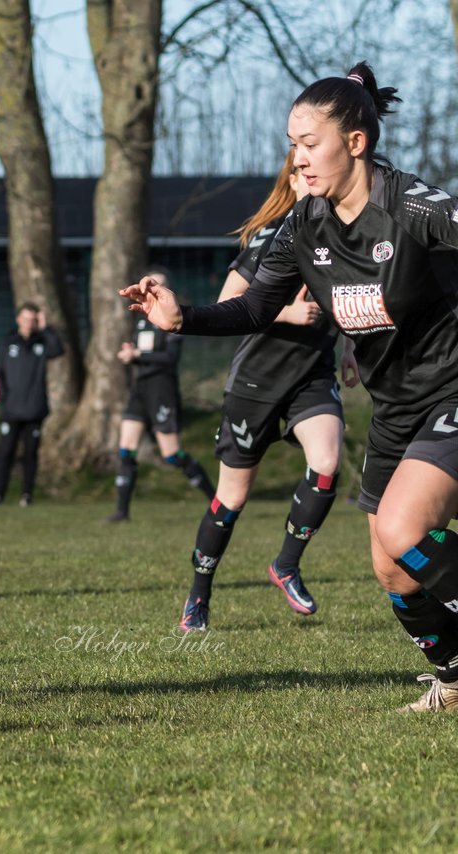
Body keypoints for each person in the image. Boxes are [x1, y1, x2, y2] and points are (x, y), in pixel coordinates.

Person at [121, 62, 458, 712]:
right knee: (390, 568)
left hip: (451, 390)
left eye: (309, 143)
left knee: (404, 529)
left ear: (355, 143)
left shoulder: (412, 206)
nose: (296, 159)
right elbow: (253, 308)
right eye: (291, 144)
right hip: (395, 408)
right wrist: (181, 317)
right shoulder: (306, 226)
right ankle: (452, 677)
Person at [176, 152, 345, 632]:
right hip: (256, 385)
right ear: (291, 182)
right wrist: (288, 314)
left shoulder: (343, 236)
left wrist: (351, 349)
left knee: (328, 462)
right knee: (232, 497)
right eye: (300, 170)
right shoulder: (272, 238)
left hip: (312, 376)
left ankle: (286, 564)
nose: (311, 178)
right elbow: (229, 303)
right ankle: (198, 596)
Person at [107, 269, 215, 523]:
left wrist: (138, 356)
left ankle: (215, 499)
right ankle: (122, 512)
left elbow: (169, 359)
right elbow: (142, 352)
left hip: (161, 389)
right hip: (140, 389)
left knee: (172, 455)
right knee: (126, 450)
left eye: (158, 284)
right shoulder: (142, 319)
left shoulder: (172, 320)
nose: (151, 288)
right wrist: (130, 353)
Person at [0, 302, 63, 507]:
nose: (29, 323)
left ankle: (27, 495)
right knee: (6, 452)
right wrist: (4, 397)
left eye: (33, 320)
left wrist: (46, 327)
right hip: (12, 409)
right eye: (26, 319)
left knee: (30, 454)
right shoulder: (8, 343)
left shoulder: (42, 343)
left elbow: (58, 350)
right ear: (18, 320)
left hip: (35, 409)